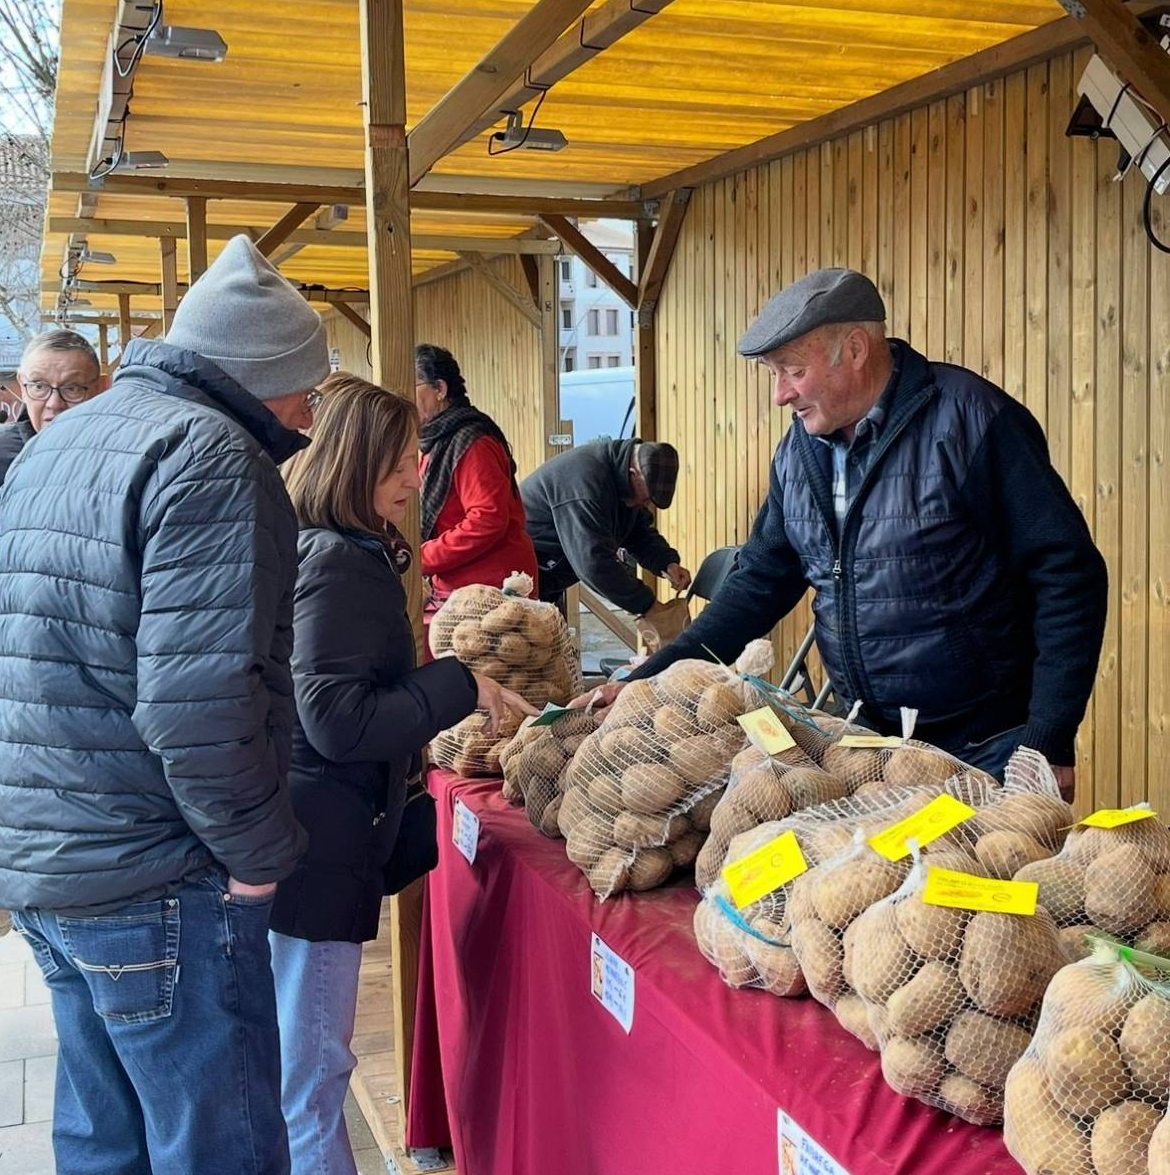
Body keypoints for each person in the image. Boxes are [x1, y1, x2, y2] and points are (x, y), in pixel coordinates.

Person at [0, 234, 332, 1175]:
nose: (311, 414)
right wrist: (262, 859)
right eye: (307, 389)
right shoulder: (216, 460)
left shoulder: (56, 442)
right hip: (159, 881)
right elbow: (202, 706)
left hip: (52, 872)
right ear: (263, 374)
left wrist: (74, 769)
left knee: (105, 1171)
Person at [601, 268, 1107, 798]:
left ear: (856, 349)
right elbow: (757, 585)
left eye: (792, 371)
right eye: (774, 375)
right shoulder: (799, 453)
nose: (780, 395)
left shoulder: (974, 421)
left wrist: (1050, 736)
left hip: (986, 745)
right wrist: (646, 681)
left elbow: (1068, 573)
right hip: (866, 744)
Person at [269, 373, 533, 1175]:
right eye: (400, 458)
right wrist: (456, 684)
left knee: (303, 1065)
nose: (417, 471)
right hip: (317, 850)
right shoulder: (338, 561)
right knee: (311, 1069)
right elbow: (337, 719)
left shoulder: (332, 549)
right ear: (357, 463)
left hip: (320, 840)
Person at [520, 437, 692, 630]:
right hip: (515, 578)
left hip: (546, 577)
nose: (645, 506)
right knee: (519, 650)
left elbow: (638, 532)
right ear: (632, 473)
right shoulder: (585, 483)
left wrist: (666, 562)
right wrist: (648, 605)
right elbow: (594, 564)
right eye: (644, 500)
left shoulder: (624, 484)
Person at [414, 343, 537, 607]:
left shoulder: (471, 442)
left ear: (440, 390)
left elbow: (487, 519)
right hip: (464, 586)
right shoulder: (438, 441)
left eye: (411, 386)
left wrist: (422, 557)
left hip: (491, 588)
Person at [0, 329, 103, 569]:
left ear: (98, 388)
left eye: (72, 388)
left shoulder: (125, 462)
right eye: (39, 386)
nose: (55, 403)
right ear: (22, 385)